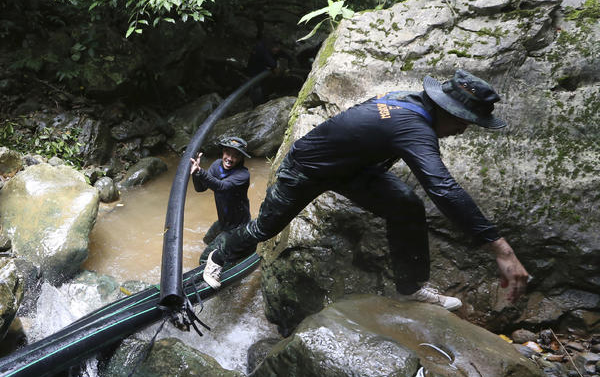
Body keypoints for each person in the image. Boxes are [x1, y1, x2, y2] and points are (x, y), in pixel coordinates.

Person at [202, 69, 530, 312]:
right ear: (445, 109)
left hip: (352, 170)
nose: (462, 129)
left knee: (405, 204)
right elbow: (442, 188)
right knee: (265, 227)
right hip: (305, 168)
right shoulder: (411, 125)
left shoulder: (412, 103)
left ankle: (410, 287)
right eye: (463, 120)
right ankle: (220, 253)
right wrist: (503, 250)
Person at [190, 136, 255, 264]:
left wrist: (201, 171)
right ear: (223, 152)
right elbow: (200, 188)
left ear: (241, 158)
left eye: (235, 156)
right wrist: (195, 172)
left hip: (237, 227)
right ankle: (225, 253)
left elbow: (222, 187)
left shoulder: (242, 175)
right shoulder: (216, 166)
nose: (230, 159)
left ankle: (222, 264)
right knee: (207, 240)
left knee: (204, 259)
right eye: (228, 153)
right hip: (224, 221)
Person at [246, 37, 293, 107]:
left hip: (264, 72)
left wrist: (288, 67)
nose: (276, 49)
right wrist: (274, 68)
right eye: (275, 47)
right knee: (256, 88)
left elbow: (289, 57)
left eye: (278, 47)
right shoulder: (262, 50)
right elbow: (270, 62)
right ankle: (257, 105)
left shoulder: (276, 50)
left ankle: (265, 100)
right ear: (270, 46)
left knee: (265, 86)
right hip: (255, 72)